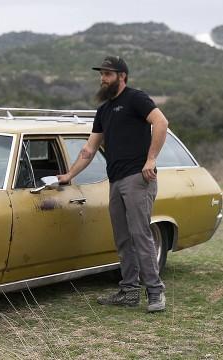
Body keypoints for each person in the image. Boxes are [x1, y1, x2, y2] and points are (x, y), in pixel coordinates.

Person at [57, 56, 169, 313]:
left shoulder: (136, 98)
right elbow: (90, 147)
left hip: (138, 179)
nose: (102, 79)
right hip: (116, 180)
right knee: (122, 237)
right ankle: (129, 291)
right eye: (101, 74)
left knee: (140, 235)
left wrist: (151, 159)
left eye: (108, 74)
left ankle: (155, 293)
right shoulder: (104, 110)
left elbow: (161, 123)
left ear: (122, 76)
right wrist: (69, 174)